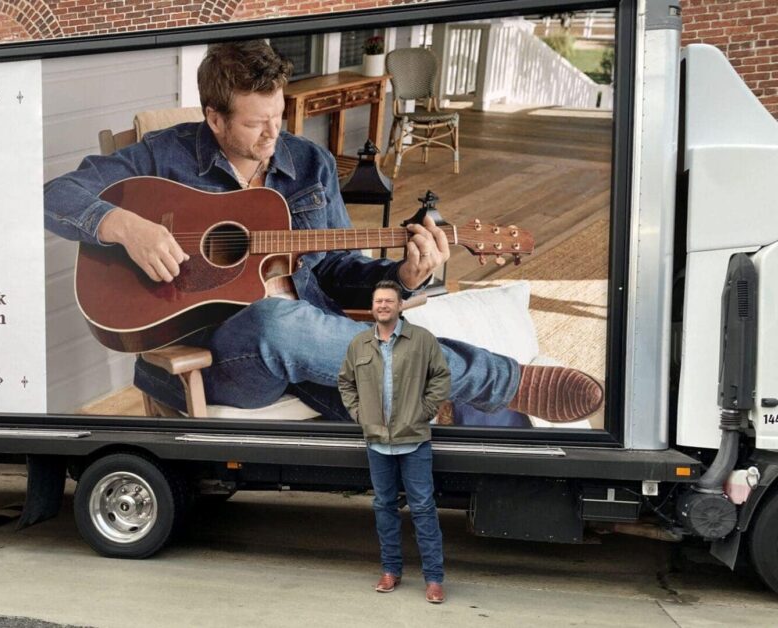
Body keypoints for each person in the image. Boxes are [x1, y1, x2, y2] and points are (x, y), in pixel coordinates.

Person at [44, 39, 602, 423]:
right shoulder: (162, 157)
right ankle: (505, 379)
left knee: (425, 416)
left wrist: (404, 275)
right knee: (274, 320)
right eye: (255, 122)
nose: (273, 134)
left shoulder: (307, 164)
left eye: (279, 114)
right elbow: (53, 196)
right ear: (214, 119)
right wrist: (122, 225)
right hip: (223, 358)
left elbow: (339, 272)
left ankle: (524, 455)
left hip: (323, 349)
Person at [338, 280, 449, 603]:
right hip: (377, 443)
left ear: (400, 306)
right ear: (373, 308)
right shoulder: (359, 344)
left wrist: (424, 411)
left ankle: (434, 579)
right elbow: (345, 382)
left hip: (414, 440)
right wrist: (361, 414)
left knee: (424, 508)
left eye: (389, 301)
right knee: (384, 507)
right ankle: (390, 571)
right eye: (378, 301)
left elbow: (441, 377)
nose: (383, 306)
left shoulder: (421, 341)